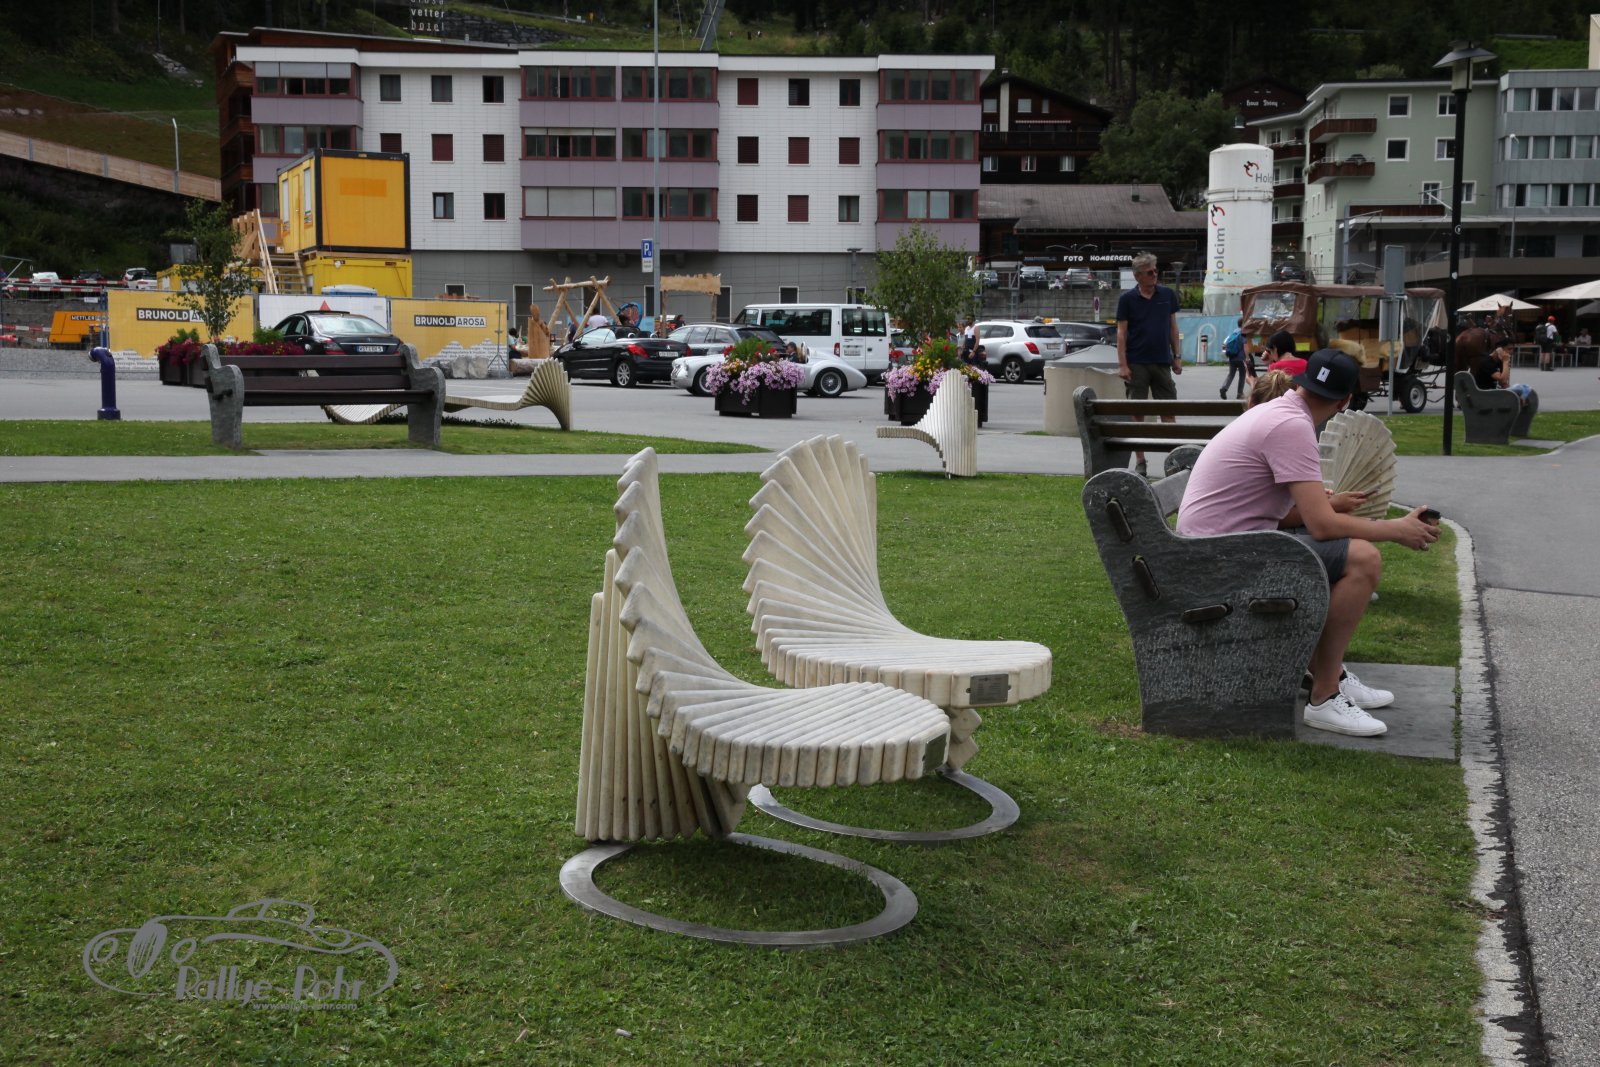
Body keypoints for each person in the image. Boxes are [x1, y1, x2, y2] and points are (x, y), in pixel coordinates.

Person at [1177, 349, 1440, 737]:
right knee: (1363, 558)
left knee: (1346, 549)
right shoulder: (1292, 427)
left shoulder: (1278, 414)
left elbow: (1283, 514)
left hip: (1215, 548)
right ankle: (1325, 696)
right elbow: (1322, 526)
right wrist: (1397, 530)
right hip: (1222, 558)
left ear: (1303, 383)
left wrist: (1330, 508)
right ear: (1346, 400)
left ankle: (1329, 672)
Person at [1115, 252, 1183, 477]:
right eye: (1150, 272)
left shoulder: (1167, 295)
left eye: (1156, 270)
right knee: (1138, 413)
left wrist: (1177, 356)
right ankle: (1140, 461)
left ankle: (1173, 460)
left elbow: (1173, 328)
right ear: (1137, 276)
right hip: (1136, 362)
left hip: (1162, 361)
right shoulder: (1127, 299)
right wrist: (1123, 364)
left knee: (1168, 410)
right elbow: (1121, 333)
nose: (1155, 275)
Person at [1220, 318, 1248, 400]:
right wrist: (1247, 357)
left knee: (1231, 374)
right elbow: (1245, 346)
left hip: (1232, 357)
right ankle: (1240, 394)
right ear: (1243, 324)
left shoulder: (1234, 332)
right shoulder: (1243, 333)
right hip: (1241, 358)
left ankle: (1224, 388)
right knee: (1242, 375)